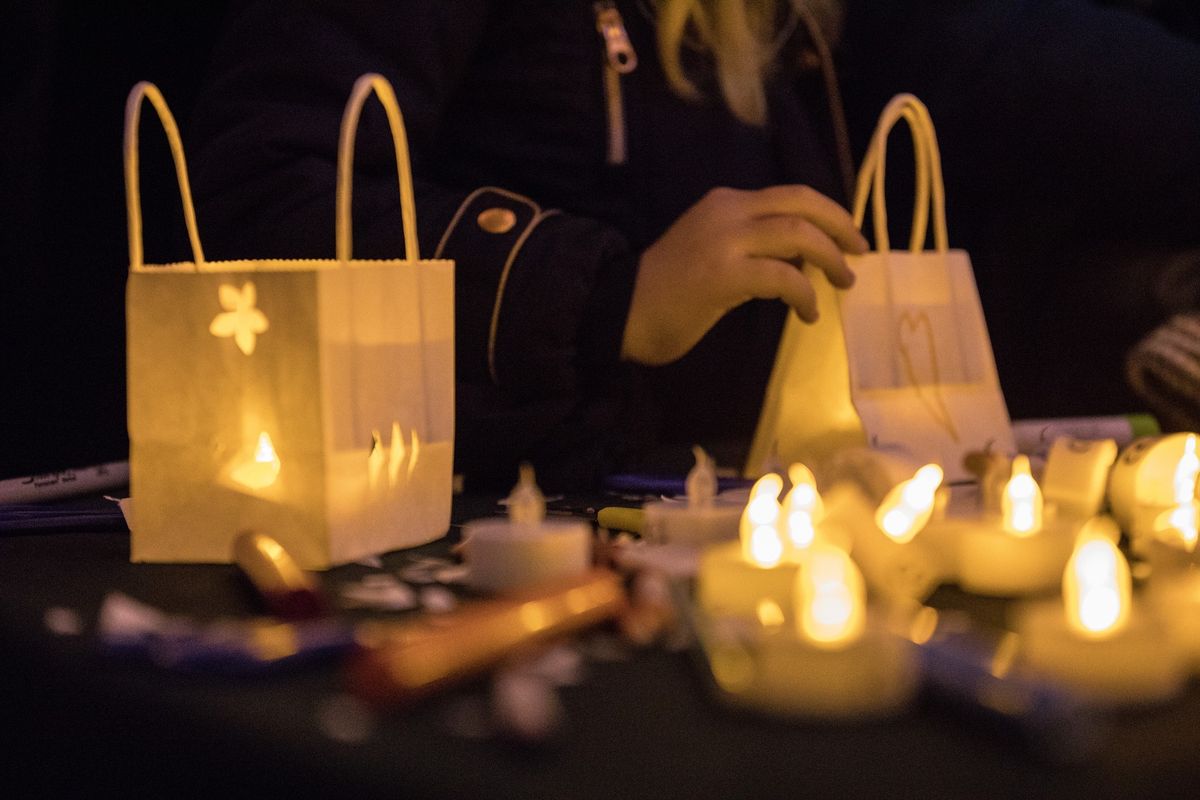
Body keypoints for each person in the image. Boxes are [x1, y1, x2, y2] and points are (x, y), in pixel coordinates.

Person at [186, 0, 1200, 491]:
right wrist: (606, 298)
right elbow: (263, 195)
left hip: (715, 525)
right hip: (466, 528)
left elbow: (1036, 89)